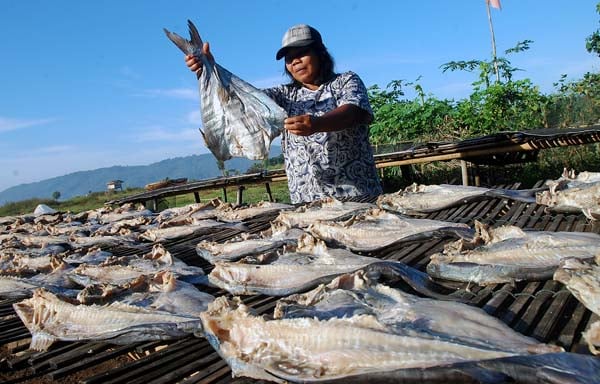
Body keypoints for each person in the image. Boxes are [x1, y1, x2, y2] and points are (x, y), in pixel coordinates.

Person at [185, 24, 382, 204]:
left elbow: (353, 112)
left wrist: (318, 124)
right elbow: (243, 101)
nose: (295, 61)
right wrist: (208, 70)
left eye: (302, 52)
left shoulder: (346, 81)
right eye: (289, 58)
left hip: (358, 198)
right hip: (306, 205)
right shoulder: (284, 95)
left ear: (321, 53)